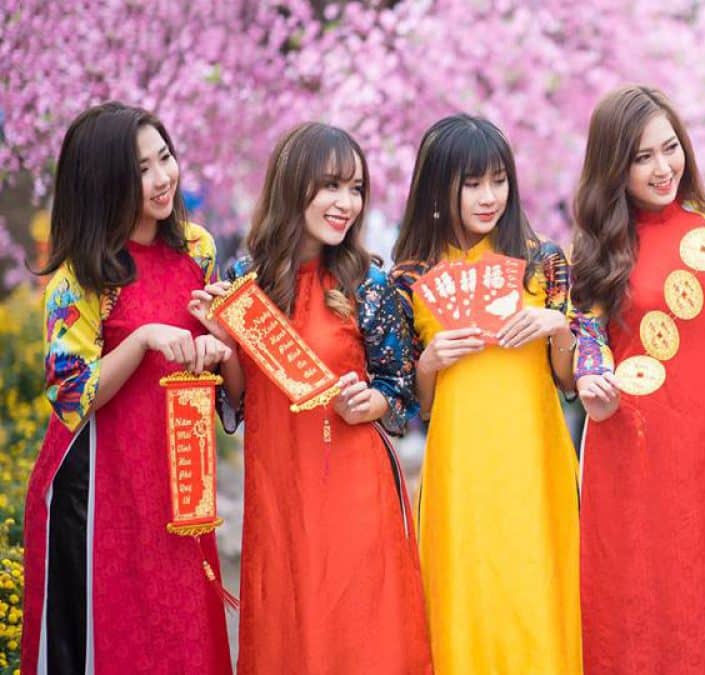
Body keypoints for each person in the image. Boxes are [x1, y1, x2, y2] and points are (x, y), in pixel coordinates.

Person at [189, 122, 431, 673]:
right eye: (331, 187)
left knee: (357, 635)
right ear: (293, 184)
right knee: (288, 632)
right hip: (277, 489)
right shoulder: (245, 281)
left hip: (350, 486)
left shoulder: (366, 282)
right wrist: (225, 345)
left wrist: (366, 402)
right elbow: (242, 403)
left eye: (356, 189)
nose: (346, 203)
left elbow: (400, 392)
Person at [23, 102, 233, 674]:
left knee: (185, 640)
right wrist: (140, 340)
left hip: (178, 483)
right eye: (140, 170)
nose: (162, 178)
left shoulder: (199, 250)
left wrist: (216, 344)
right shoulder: (79, 279)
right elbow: (71, 399)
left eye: (164, 157)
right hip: (98, 492)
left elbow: (210, 374)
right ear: (104, 182)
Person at [570, 84, 705, 673]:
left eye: (670, 149)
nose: (664, 168)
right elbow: (589, 347)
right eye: (642, 158)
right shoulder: (598, 250)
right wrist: (594, 385)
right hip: (632, 448)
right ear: (615, 166)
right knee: (640, 598)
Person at [390, 114, 581, 674]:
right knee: (465, 591)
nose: (488, 196)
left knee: (536, 587)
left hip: (534, 459)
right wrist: (430, 360)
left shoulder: (543, 261)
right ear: (437, 184)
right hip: (460, 466)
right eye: (471, 183)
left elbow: (568, 381)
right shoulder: (410, 276)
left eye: (498, 180)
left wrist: (558, 327)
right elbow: (415, 405)